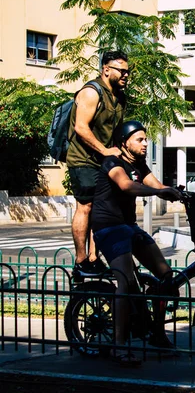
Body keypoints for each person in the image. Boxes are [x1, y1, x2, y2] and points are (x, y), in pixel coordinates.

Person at [91, 120, 182, 366]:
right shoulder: (113, 163)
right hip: (108, 227)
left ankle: (157, 334)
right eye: (139, 140)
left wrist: (179, 193)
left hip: (129, 227)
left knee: (165, 275)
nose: (145, 144)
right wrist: (158, 193)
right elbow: (126, 185)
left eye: (145, 139)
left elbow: (158, 186)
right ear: (124, 142)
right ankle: (118, 345)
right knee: (124, 282)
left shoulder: (139, 164)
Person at [67, 50, 129, 275]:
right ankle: (81, 262)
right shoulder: (91, 93)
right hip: (83, 160)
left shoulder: (119, 97)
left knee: (102, 210)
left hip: (103, 160)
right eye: (121, 70)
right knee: (86, 206)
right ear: (106, 70)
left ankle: (94, 258)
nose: (125, 75)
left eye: (127, 71)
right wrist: (104, 150)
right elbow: (80, 127)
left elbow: (115, 133)